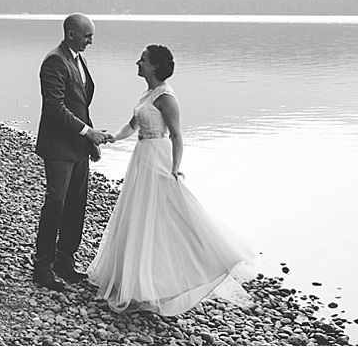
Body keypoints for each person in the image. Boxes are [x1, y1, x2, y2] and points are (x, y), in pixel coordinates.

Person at [87, 44, 255, 315]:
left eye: (142, 60)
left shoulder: (166, 96)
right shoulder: (148, 93)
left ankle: (183, 273)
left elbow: (176, 135)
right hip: (141, 158)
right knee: (140, 217)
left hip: (158, 158)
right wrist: (114, 138)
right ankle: (136, 283)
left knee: (163, 218)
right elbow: (133, 125)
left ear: (154, 66)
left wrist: (175, 168)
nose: (137, 63)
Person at [33, 13, 110, 291]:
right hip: (58, 147)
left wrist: (89, 141)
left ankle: (65, 261)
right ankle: (42, 267)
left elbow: (80, 106)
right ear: (71, 34)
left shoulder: (78, 59)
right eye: (87, 36)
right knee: (56, 203)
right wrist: (87, 132)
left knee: (77, 205)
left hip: (78, 147)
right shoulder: (55, 60)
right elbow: (54, 109)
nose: (90, 41)